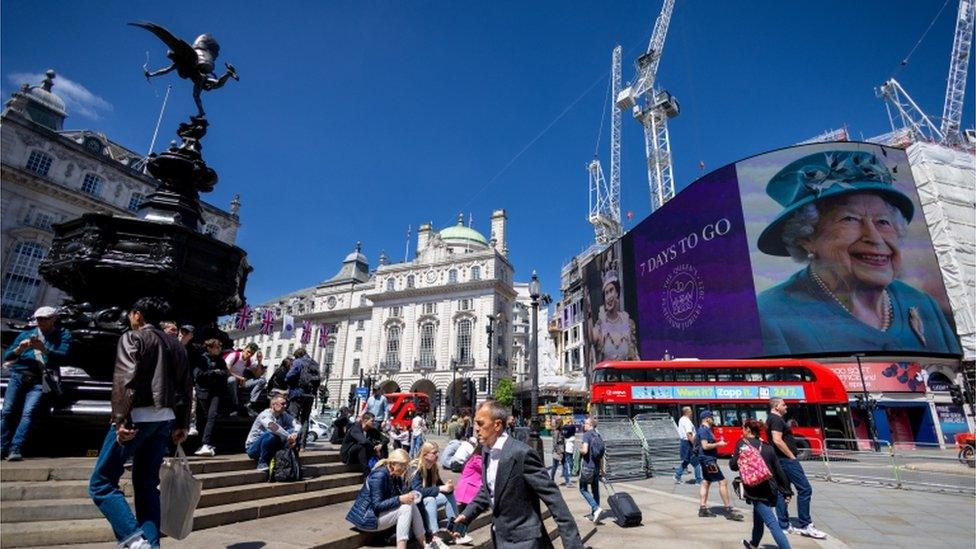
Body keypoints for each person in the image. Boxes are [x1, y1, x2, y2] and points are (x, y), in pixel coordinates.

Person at [755, 149, 962, 356]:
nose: (874, 237)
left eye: (883, 222)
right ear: (806, 238)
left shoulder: (922, 304)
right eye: (850, 219)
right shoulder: (768, 316)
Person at [88, 297, 191, 549]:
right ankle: (151, 545)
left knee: (101, 483)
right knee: (146, 484)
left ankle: (134, 540)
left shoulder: (133, 337)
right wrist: (182, 423)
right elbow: (186, 387)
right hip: (164, 420)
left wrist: (121, 418)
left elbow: (125, 379)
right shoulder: (177, 345)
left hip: (136, 419)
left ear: (137, 315)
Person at [453, 400, 583, 549]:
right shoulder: (486, 451)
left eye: (480, 423)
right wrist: (467, 515)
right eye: (475, 423)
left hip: (525, 541)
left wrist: (573, 544)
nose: (475, 429)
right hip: (500, 539)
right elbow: (490, 488)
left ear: (497, 425)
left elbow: (554, 499)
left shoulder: (521, 453)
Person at [1, 306, 72, 461]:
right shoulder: (26, 334)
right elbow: (8, 355)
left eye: (45, 319)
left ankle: (15, 448)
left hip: (40, 379)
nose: (41, 322)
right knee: (7, 411)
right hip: (19, 375)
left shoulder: (63, 335)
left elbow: (64, 355)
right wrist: (20, 349)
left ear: (54, 319)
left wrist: (44, 350)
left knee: (29, 412)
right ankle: (1, 447)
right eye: (38, 319)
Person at [345, 448, 431, 549]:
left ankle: (425, 545)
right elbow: (376, 506)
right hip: (366, 518)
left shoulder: (395, 475)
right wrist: (400, 499)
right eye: (403, 466)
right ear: (393, 463)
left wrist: (409, 494)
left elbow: (401, 494)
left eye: (406, 466)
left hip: (378, 515)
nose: (405, 469)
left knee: (410, 504)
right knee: (405, 509)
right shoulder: (379, 475)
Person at [766, 398, 827, 539]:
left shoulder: (771, 419)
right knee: (805, 489)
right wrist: (791, 456)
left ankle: (783, 525)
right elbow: (777, 439)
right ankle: (806, 525)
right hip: (786, 460)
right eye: (783, 404)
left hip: (780, 460)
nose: (786, 407)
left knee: (782, 491)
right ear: (776, 406)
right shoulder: (776, 419)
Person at [730, 419, 794, 549]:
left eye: (743, 428)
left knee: (772, 523)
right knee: (758, 517)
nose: (742, 430)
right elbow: (778, 471)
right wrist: (787, 490)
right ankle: (754, 543)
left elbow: (733, 466)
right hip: (770, 488)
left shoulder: (742, 444)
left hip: (754, 488)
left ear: (748, 429)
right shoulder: (767, 447)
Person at [586, 257, 640, 362]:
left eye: (611, 291)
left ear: (617, 293)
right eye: (606, 293)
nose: (609, 297)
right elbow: (592, 338)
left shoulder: (627, 322)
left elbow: (634, 354)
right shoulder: (600, 324)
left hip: (627, 377)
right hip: (608, 377)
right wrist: (588, 312)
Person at [409, 441, 460, 544]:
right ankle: (434, 537)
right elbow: (416, 491)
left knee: (448, 495)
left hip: (427, 501)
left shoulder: (433, 467)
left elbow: (439, 486)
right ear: (425, 455)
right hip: (414, 503)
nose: (437, 455)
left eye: (437, 452)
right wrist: (441, 488)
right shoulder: (415, 467)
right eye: (434, 453)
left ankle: (455, 530)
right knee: (430, 499)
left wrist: (448, 487)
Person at [696, 411, 743, 521]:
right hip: (709, 461)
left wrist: (717, 441)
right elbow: (705, 446)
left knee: (706, 482)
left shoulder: (705, 429)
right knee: (722, 482)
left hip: (706, 460)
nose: (713, 419)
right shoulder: (703, 430)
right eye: (711, 417)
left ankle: (703, 508)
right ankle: (728, 510)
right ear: (707, 419)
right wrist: (718, 444)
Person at [193, 338, 229, 457]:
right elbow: (198, 375)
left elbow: (225, 373)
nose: (219, 349)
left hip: (216, 392)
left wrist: (218, 373)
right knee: (203, 417)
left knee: (212, 416)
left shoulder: (220, 360)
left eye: (220, 347)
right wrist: (214, 372)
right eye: (217, 347)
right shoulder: (201, 358)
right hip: (203, 392)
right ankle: (200, 443)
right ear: (209, 348)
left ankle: (206, 443)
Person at [245, 395, 298, 471]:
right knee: (270, 434)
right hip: (253, 448)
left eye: (286, 404)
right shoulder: (264, 414)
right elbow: (272, 427)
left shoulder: (283, 414)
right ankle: (262, 463)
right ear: (273, 405)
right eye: (283, 404)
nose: (285, 406)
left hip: (270, 445)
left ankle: (285, 457)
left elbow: (297, 423)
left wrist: (294, 434)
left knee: (292, 431)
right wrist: (288, 436)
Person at [285, 348, 318, 447]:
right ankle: (303, 444)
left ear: (297, 355)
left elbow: (289, 376)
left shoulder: (298, 362)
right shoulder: (314, 363)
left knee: (293, 417)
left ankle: (294, 443)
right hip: (310, 395)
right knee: (305, 419)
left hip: (298, 393)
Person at [453, 445, 483, 546]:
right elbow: (486, 469)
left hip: (468, 489)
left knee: (464, 514)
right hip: (468, 490)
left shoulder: (474, 458)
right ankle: (459, 535)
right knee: (465, 515)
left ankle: (460, 534)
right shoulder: (477, 459)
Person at [578, 416, 606, 523]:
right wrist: (602, 469)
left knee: (583, 489)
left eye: (585, 423)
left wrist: (579, 450)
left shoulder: (587, 435)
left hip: (587, 467)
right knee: (595, 491)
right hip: (596, 467)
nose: (584, 425)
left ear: (590, 425)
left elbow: (585, 451)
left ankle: (596, 508)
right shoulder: (598, 435)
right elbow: (601, 455)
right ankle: (595, 514)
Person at [225, 343, 266, 413]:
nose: (249, 355)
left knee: (262, 380)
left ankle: (250, 403)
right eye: (248, 352)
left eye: (252, 354)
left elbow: (257, 375)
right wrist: (240, 378)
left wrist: (259, 361)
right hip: (228, 380)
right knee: (232, 380)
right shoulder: (234, 355)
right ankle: (235, 403)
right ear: (244, 349)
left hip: (240, 383)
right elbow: (226, 371)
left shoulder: (250, 360)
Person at [674, 406, 703, 485]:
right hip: (688, 443)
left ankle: (677, 475)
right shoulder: (686, 421)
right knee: (697, 463)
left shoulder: (681, 419)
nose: (692, 413)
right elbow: (689, 434)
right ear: (687, 412)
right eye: (690, 411)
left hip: (684, 443)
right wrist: (695, 444)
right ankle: (698, 480)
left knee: (686, 461)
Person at [549, 418, 570, 486]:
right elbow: (555, 444)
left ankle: (567, 481)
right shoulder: (556, 432)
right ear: (560, 424)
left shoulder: (561, 431)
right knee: (555, 467)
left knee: (565, 466)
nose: (563, 424)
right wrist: (559, 452)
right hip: (558, 453)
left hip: (562, 452)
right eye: (562, 423)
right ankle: (551, 480)